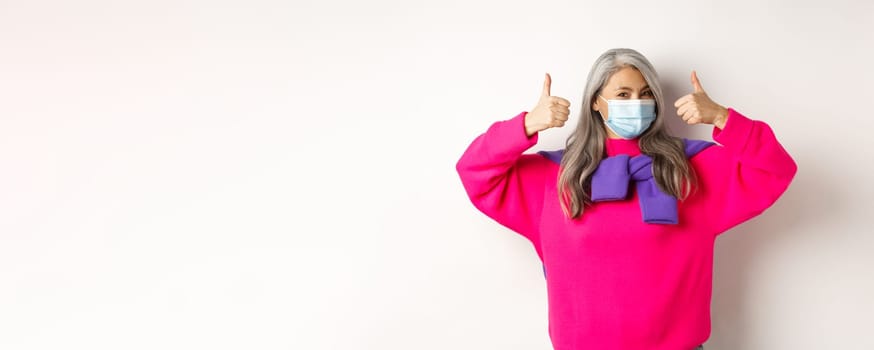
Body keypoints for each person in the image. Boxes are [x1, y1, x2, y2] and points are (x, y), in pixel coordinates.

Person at [454, 48, 797, 350]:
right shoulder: (552, 176)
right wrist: (526, 125)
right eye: (623, 93)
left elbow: (775, 169)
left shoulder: (692, 169)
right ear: (596, 102)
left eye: (646, 94)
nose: (637, 104)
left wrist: (723, 117)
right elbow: (474, 171)